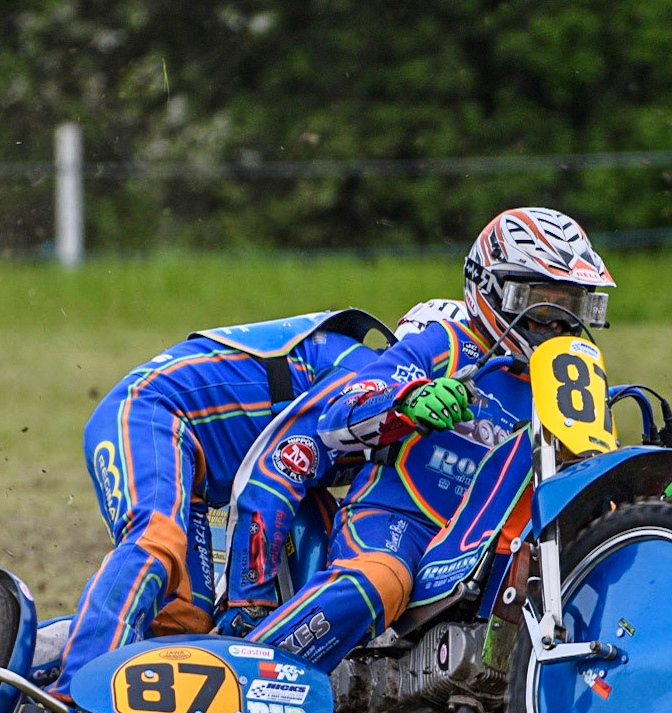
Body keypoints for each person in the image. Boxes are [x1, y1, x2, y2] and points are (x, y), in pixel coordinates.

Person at [243, 207, 616, 670]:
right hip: (399, 515)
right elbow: (337, 416)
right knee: (380, 581)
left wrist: (634, 492)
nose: (556, 324)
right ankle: (247, 669)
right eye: (540, 306)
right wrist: (407, 400)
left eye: (572, 307)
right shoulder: (446, 343)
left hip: (493, 538)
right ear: (491, 288)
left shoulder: (566, 383)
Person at [45, 309, 387, 702]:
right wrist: (250, 601)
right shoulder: (369, 381)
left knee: (184, 617)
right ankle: (74, 696)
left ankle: (25, 659)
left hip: (191, 465)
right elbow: (269, 482)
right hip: (148, 413)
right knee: (155, 541)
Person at [215, 299, 466, 636]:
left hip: (246, 484)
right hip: (212, 463)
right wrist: (248, 601)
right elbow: (274, 476)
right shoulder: (364, 375)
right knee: (185, 610)